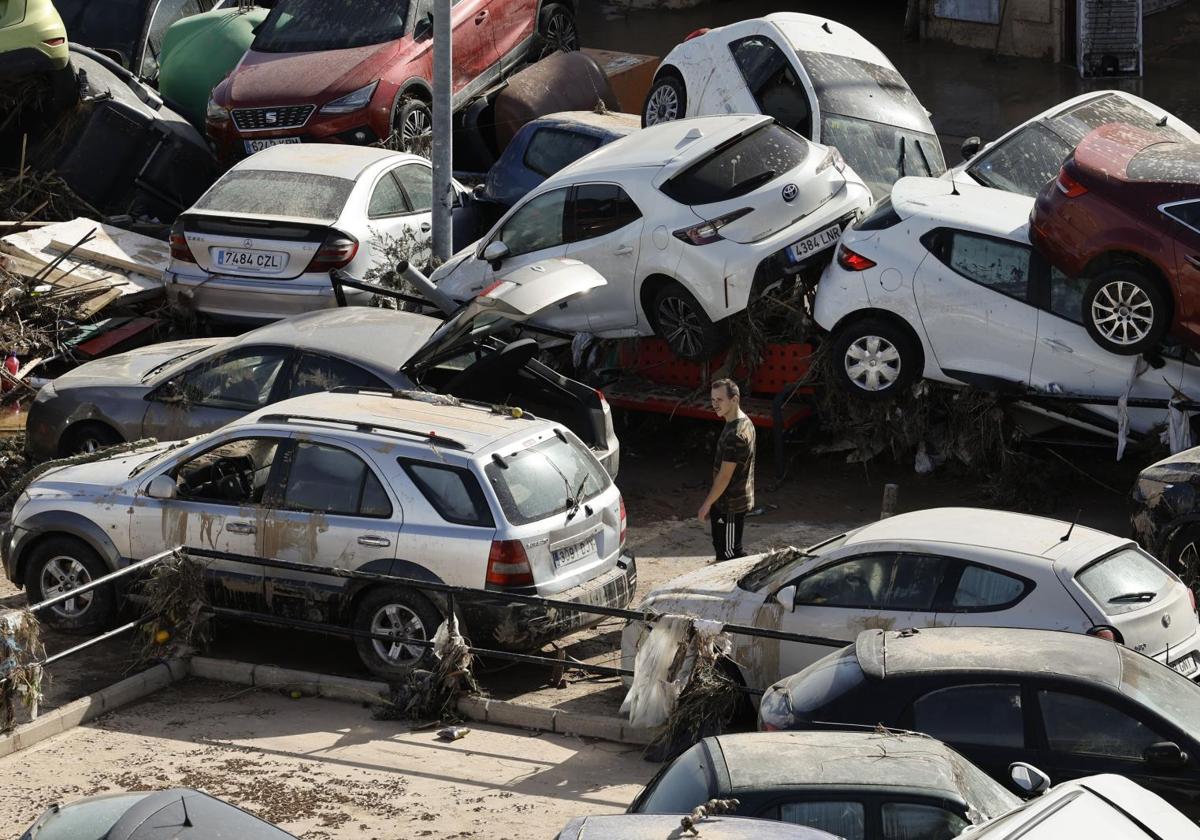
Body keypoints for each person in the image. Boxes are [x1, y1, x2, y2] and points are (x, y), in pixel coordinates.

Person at [698, 378, 756, 562]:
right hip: (726, 501)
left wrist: (707, 504)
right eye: (713, 400)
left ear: (735, 399)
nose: (715, 404)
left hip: (730, 505)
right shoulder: (743, 421)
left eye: (720, 400)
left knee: (730, 555)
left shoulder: (735, 435)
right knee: (723, 549)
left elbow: (724, 476)